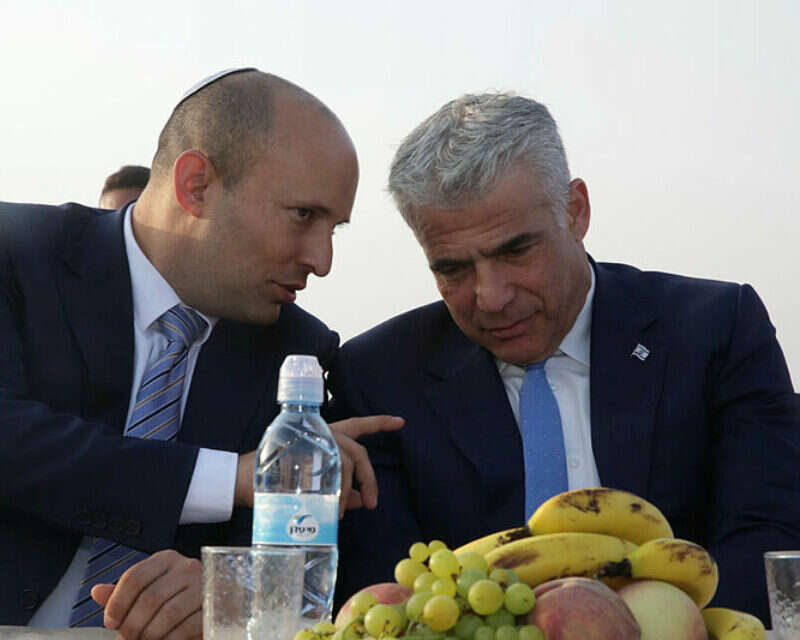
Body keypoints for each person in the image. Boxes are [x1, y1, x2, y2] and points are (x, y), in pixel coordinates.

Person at [0, 69, 402, 639]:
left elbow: (269, 559)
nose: (322, 261)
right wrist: (234, 477)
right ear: (196, 185)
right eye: (303, 216)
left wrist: (228, 589)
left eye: (335, 228)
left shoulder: (298, 353)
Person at [330, 92, 799, 624]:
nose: (491, 297)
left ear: (576, 211)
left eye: (515, 251)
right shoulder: (379, 377)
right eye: (453, 269)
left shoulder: (716, 330)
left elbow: (770, 544)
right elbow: (391, 596)